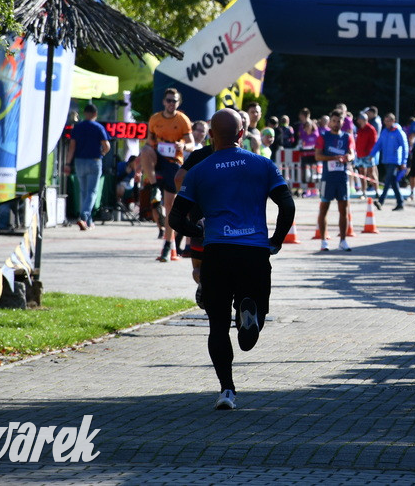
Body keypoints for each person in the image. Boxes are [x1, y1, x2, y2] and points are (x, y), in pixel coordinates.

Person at [169, 108, 295, 411]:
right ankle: (249, 312)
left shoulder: (199, 171)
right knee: (254, 319)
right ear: (242, 133)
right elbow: (287, 206)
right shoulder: (263, 165)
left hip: (217, 253)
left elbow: (176, 217)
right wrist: (275, 241)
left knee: (216, 325)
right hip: (253, 252)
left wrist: (195, 227)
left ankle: (227, 389)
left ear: (211, 135)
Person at [140, 88, 194, 261]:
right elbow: (149, 141)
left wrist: (182, 146)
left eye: (174, 101)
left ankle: (168, 243)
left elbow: (192, 143)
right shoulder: (155, 119)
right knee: (146, 150)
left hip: (174, 161)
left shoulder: (182, 120)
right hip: (158, 157)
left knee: (170, 206)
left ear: (178, 103)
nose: (171, 103)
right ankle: (155, 186)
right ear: (164, 102)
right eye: (169, 100)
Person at [64, 103, 110, 230]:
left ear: (85, 113)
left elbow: (72, 147)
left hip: (79, 161)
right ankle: (84, 217)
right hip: (94, 161)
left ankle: (89, 222)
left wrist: (68, 163)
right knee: (92, 192)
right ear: (95, 114)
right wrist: (102, 153)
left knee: (83, 191)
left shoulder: (77, 128)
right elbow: (107, 146)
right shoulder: (99, 128)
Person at [316, 110, 355, 251]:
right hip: (328, 178)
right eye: (334, 121)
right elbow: (318, 156)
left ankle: (343, 241)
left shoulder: (347, 137)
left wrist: (348, 158)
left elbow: (351, 153)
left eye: (339, 121)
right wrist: (333, 158)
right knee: (324, 208)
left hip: (342, 178)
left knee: (343, 209)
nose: (336, 123)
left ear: (343, 122)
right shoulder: (323, 136)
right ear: (329, 122)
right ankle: (323, 241)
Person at [371, 113, 409, 210]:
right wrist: (371, 154)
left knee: (387, 180)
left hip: (395, 161)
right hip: (386, 160)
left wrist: (404, 161)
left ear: (393, 121)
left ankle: (381, 201)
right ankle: (400, 202)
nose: (386, 123)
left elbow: (405, 147)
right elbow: (378, 144)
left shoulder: (398, 132)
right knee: (392, 182)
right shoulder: (384, 132)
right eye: (385, 121)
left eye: (388, 121)